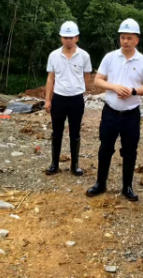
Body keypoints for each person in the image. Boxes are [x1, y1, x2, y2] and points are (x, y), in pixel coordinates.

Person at [86, 19, 143, 201]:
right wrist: (114, 87)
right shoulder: (110, 57)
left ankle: (127, 187)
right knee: (105, 147)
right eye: (123, 37)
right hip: (110, 112)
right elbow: (97, 80)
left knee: (130, 150)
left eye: (129, 38)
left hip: (131, 113)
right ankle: (100, 183)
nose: (125, 41)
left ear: (137, 40)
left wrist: (133, 91)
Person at [44, 21, 93, 176]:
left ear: (77, 38)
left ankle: (74, 165)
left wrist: (80, 89)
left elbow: (87, 76)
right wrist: (48, 100)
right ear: (61, 38)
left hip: (76, 99)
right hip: (59, 98)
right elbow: (50, 79)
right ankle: (54, 164)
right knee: (57, 131)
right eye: (65, 37)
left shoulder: (84, 56)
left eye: (71, 37)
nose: (68, 40)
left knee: (75, 132)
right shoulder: (54, 55)